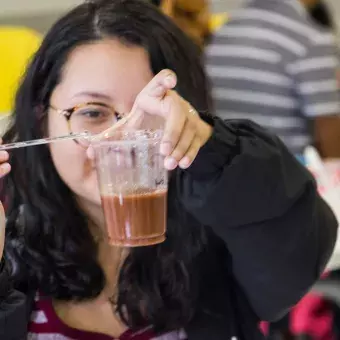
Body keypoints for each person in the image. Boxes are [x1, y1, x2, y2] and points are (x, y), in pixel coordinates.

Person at [0, 0, 337, 339]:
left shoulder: (221, 237)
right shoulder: (10, 236)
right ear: (43, 119)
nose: (124, 142)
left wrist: (215, 150)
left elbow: (299, 247)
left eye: (152, 116)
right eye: (93, 112)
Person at [206, 0, 340, 158]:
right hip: (288, 172)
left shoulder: (222, 33)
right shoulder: (311, 39)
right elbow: (327, 128)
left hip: (228, 168)